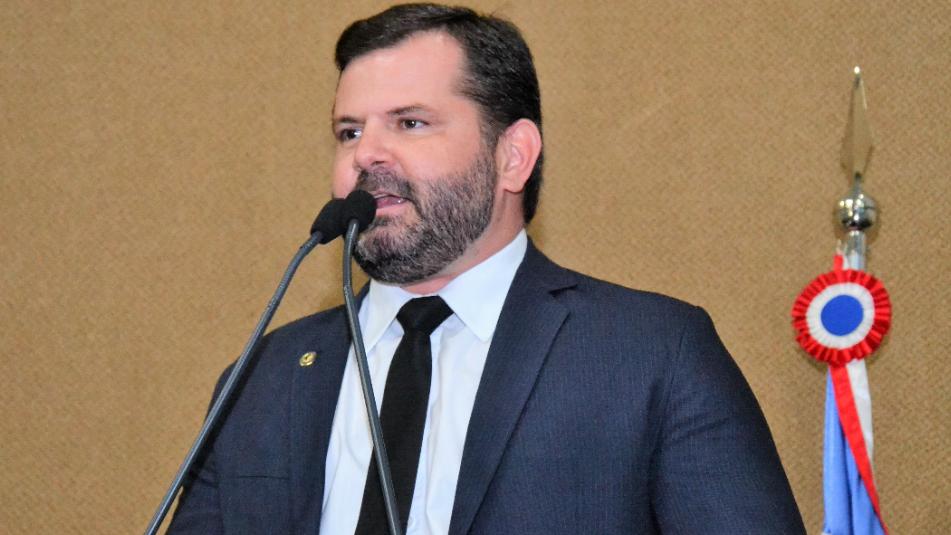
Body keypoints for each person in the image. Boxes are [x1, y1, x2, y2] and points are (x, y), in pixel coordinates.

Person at [168, 4, 805, 534]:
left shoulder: (650, 355)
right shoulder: (263, 376)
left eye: (410, 122)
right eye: (349, 132)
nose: (367, 156)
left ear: (513, 156)